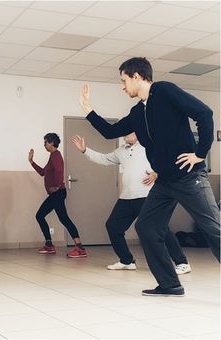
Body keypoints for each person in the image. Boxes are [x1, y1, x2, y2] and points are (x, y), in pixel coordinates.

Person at [79, 57, 220, 297]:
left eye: (124, 81)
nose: (122, 87)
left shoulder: (164, 91)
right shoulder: (137, 112)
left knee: (213, 229)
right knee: (147, 226)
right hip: (164, 181)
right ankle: (170, 284)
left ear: (137, 76)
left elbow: (204, 113)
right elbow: (110, 131)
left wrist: (200, 152)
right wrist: (89, 111)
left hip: (189, 177)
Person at [72, 132, 191, 274]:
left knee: (160, 229)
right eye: (122, 133)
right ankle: (126, 261)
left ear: (137, 132)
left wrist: (157, 173)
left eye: (127, 132)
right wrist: (85, 150)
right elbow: (104, 159)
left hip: (148, 196)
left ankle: (182, 263)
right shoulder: (120, 151)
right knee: (113, 226)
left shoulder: (150, 146)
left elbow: (168, 161)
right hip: (127, 197)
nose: (124, 135)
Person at [29, 133, 87, 258]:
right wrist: (31, 162)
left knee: (41, 216)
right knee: (62, 218)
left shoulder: (56, 155)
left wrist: (56, 186)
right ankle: (74, 246)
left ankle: (76, 248)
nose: (44, 145)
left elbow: (60, 171)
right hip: (57, 193)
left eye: (45, 142)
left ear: (51, 143)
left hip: (58, 193)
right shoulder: (53, 156)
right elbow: (43, 173)